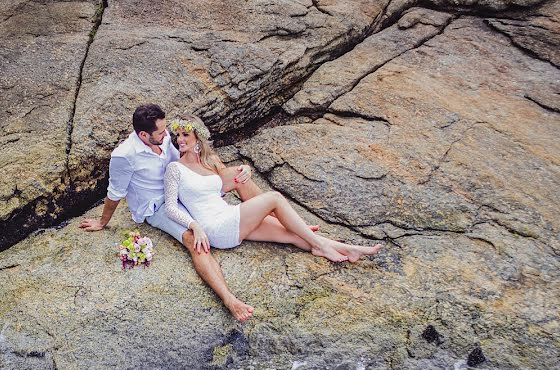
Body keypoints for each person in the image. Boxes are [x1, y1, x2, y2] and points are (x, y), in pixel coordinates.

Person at [79, 104, 269, 321]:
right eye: (161, 132)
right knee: (194, 241)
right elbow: (115, 192)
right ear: (143, 134)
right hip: (158, 206)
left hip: (183, 186)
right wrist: (103, 222)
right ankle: (229, 299)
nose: (167, 134)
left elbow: (193, 150)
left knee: (238, 175)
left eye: (165, 129)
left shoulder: (163, 135)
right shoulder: (124, 156)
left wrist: (237, 169)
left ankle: (282, 221)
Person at [164, 115, 384, 262]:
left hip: (229, 216)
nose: (180, 139)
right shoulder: (175, 168)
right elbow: (171, 208)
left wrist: (246, 168)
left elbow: (232, 176)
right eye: (178, 135)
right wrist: (195, 226)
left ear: (197, 138)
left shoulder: (209, 161)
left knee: (292, 235)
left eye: (185, 135)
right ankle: (321, 245)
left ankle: (345, 249)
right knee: (275, 198)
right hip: (215, 227)